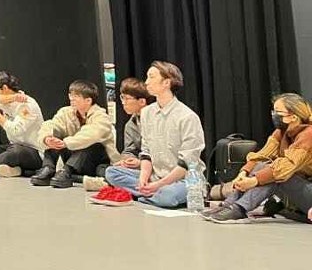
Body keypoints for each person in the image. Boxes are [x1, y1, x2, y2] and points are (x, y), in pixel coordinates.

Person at [103, 61, 205, 208]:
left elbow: (186, 164)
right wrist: (143, 178)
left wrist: (159, 185)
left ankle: (143, 195)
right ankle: (148, 192)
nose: (146, 82)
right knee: (112, 173)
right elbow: (146, 153)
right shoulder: (147, 112)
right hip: (155, 176)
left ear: (166, 83)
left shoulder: (187, 117)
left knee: (168, 195)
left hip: (184, 179)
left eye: (151, 77)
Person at [203, 93, 312, 223]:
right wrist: (244, 173)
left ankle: (240, 208)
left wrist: (255, 180)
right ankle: (229, 205)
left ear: (293, 117)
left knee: (278, 173)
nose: (274, 115)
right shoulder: (281, 132)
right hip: (298, 188)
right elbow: (262, 156)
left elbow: (286, 166)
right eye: (273, 111)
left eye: (278, 112)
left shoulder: (308, 134)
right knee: (264, 166)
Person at [30, 80, 118, 188]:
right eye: (70, 95)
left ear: (88, 100)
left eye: (76, 96)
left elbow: (90, 135)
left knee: (92, 144)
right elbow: (51, 124)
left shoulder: (101, 116)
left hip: (95, 161)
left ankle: (66, 171)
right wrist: (47, 138)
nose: (71, 98)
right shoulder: (65, 112)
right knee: (53, 137)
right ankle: (48, 168)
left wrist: (65, 143)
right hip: (74, 159)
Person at [0, 72, 44, 177]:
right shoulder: (7, 101)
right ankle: (14, 169)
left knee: (15, 151)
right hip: (13, 146)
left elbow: (15, 130)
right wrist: (14, 97)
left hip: (34, 152)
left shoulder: (27, 105)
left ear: (5, 88)